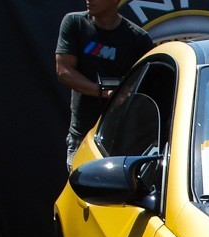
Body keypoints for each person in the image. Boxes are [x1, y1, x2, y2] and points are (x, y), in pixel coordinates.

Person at [56, 0, 154, 171]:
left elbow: (148, 89)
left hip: (123, 141)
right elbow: (63, 72)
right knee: (81, 186)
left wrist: (127, 93)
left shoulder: (138, 38)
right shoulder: (75, 23)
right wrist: (106, 93)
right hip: (82, 136)